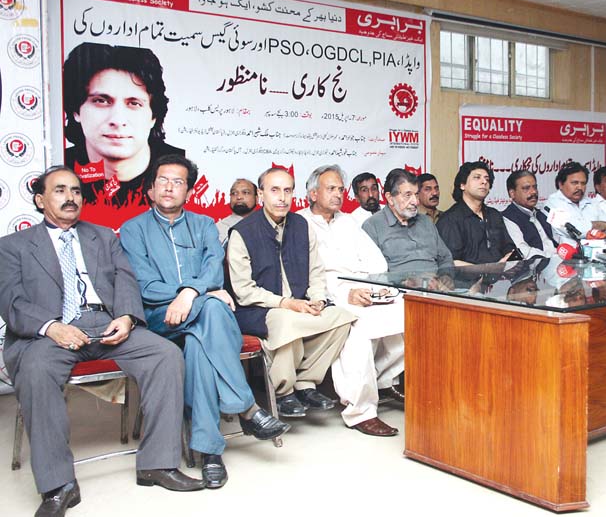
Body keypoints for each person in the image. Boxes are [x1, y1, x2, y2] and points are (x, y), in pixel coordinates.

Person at [0, 166, 204, 516]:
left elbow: (126, 281)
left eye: (76, 191)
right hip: (53, 331)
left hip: (107, 325)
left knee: (166, 355)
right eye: (60, 190)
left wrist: (126, 317)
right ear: (39, 199)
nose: (71, 198)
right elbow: (12, 302)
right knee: (35, 368)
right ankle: (58, 485)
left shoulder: (104, 237)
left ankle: (157, 464)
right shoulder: (13, 246)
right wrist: (51, 327)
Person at [120, 155, 289, 489]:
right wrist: (197, 294)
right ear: (151, 189)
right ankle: (246, 406)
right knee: (212, 308)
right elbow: (145, 286)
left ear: (189, 190)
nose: (169, 188)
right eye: (163, 181)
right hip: (160, 318)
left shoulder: (203, 225)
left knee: (199, 344)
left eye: (178, 182)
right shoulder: (133, 229)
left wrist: (192, 293)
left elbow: (214, 270)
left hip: (203, 318)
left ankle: (210, 452)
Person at [227, 168, 356, 418]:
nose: (282, 198)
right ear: (261, 194)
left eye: (287, 191)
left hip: (300, 303)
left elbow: (317, 271)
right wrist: (286, 303)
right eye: (274, 190)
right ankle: (283, 391)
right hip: (257, 309)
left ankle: (306, 382)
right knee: (286, 320)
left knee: (342, 317)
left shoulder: (302, 226)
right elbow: (244, 291)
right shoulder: (242, 233)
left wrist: (317, 298)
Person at [298, 165, 404, 436]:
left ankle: (379, 379)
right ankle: (361, 411)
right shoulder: (300, 224)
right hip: (327, 295)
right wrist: (345, 292)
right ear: (312, 193)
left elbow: (376, 261)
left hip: (363, 288)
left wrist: (374, 286)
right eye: (331, 188)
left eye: (341, 189)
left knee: (410, 314)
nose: (338, 194)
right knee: (355, 329)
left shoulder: (348, 222)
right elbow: (308, 274)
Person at [63, 43, 183, 227]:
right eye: (101, 101)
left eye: (134, 103)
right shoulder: (61, 170)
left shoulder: (183, 167)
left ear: (153, 116)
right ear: (76, 111)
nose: (118, 120)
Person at [363, 168, 454, 273]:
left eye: (416, 194)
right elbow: (373, 272)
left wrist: (445, 279)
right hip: (398, 287)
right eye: (408, 195)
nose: (415, 202)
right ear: (390, 198)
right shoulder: (372, 226)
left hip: (435, 287)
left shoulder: (425, 222)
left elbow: (446, 258)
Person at [437, 161, 516, 265]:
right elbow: (450, 262)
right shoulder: (450, 219)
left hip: (499, 278)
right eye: (477, 177)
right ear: (462, 185)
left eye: (487, 179)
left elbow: (509, 248)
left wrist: (507, 260)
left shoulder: (494, 215)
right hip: (466, 280)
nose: (484, 182)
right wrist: (487, 271)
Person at [544, 162, 606, 242]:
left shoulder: (590, 202)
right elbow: (575, 230)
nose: (580, 187)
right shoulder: (551, 205)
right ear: (561, 184)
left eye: (583, 183)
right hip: (573, 252)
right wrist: (602, 225)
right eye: (575, 183)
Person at [501, 170, 557, 259]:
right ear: (512, 194)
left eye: (535, 187)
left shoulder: (542, 213)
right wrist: (552, 258)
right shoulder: (507, 218)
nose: (533, 192)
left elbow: (558, 239)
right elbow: (523, 250)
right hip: (535, 267)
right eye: (526, 188)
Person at [216, 178, 258, 245]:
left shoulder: (267, 226)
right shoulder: (217, 229)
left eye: (245, 192)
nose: (239, 197)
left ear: (257, 198)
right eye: (234, 193)